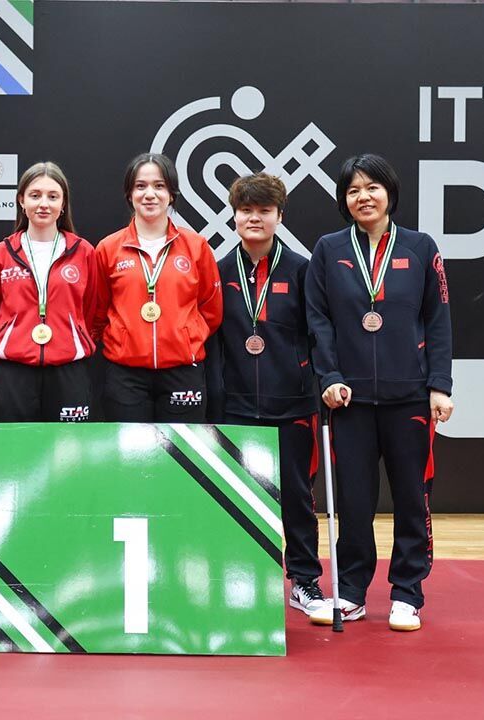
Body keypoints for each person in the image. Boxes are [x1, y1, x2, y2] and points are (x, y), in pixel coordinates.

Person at [304, 153, 454, 632]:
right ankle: (350, 592)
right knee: (353, 503)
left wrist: (439, 385)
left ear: (390, 192)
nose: (363, 197)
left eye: (372, 187)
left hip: (409, 397)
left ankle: (407, 593)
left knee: (412, 498)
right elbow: (318, 322)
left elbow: (438, 320)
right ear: (343, 200)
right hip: (349, 401)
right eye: (353, 190)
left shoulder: (421, 247)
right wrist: (329, 377)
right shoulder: (328, 250)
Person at [205, 172, 327, 617]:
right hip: (236, 406)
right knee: (238, 496)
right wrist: (216, 401)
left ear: (279, 216)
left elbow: (318, 334)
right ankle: (240, 581)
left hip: (292, 404)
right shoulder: (218, 271)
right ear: (234, 216)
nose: (254, 218)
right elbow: (212, 342)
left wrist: (314, 384)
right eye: (246, 210)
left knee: (296, 497)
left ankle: (305, 580)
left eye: (264, 211)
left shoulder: (302, 270)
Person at [92, 153, 222, 421]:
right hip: (125, 374)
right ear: (130, 194)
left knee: (181, 449)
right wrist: (123, 340)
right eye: (140, 186)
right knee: (130, 449)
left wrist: (185, 337)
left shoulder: (196, 246)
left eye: (159, 186)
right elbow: (97, 310)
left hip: (182, 371)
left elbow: (211, 309)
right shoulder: (108, 248)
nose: (149, 194)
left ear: (171, 194)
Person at [0, 162, 97, 422]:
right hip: (14, 373)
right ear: (21, 200)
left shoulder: (84, 252)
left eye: (52, 196)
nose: (43, 204)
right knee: (13, 447)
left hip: (69, 372)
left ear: (63, 204)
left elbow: (91, 310)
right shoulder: (0, 255)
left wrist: (69, 337)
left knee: (68, 447)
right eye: (35, 195)